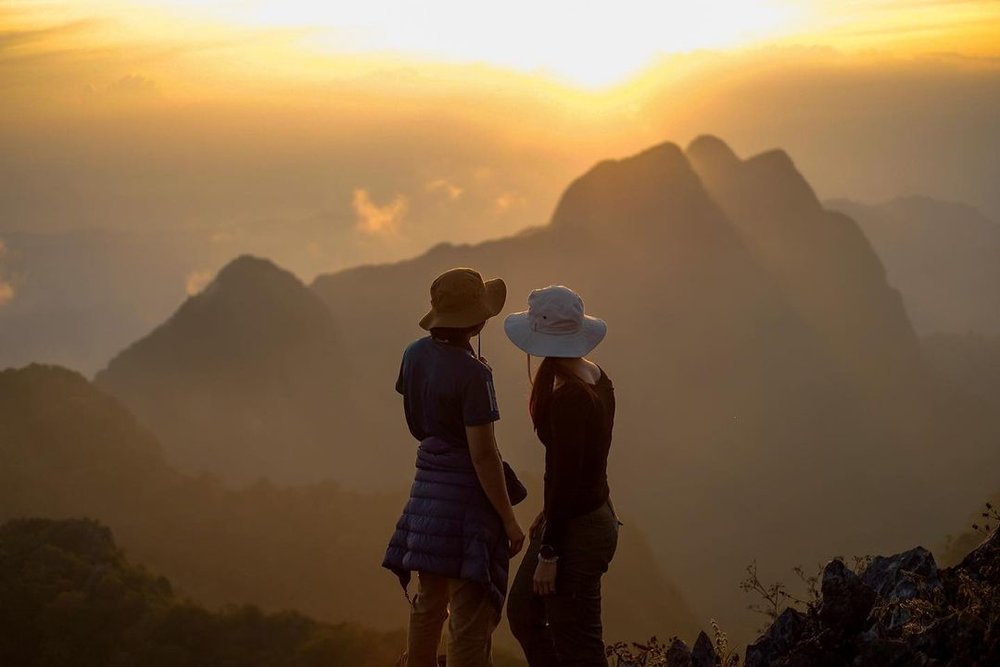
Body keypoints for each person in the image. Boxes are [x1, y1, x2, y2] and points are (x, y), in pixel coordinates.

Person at [383, 267, 526, 667]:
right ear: (478, 321)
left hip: (426, 492)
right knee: (469, 612)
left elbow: (417, 421)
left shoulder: (413, 354)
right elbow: (483, 455)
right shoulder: (473, 375)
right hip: (467, 503)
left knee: (428, 600)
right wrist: (509, 520)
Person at [503, 285, 619, 667]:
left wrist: (550, 551)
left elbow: (567, 477)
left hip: (579, 528)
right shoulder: (596, 378)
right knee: (524, 611)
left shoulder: (570, 397)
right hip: (579, 516)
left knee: (579, 644)